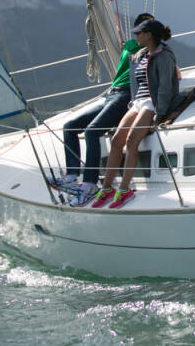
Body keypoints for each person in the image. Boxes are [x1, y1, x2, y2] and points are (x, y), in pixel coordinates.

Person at [53, 12, 154, 206]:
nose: (141, 34)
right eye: (140, 30)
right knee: (70, 126)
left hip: (124, 95)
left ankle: (90, 184)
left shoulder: (141, 48)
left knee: (92, 131)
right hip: (112, 94)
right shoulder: (132, 46)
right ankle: (72, 176)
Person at [91, 19, 181, 209]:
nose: (136, 36)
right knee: (116, 141)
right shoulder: (141, 54)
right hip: (138, 103)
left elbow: (165, 86)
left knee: (132, 140)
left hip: (151, 103)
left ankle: (124, 190)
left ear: (148, 35)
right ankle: (107, 189)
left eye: (139, 33)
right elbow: (137, 82)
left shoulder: (164, 56)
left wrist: (160, 113)